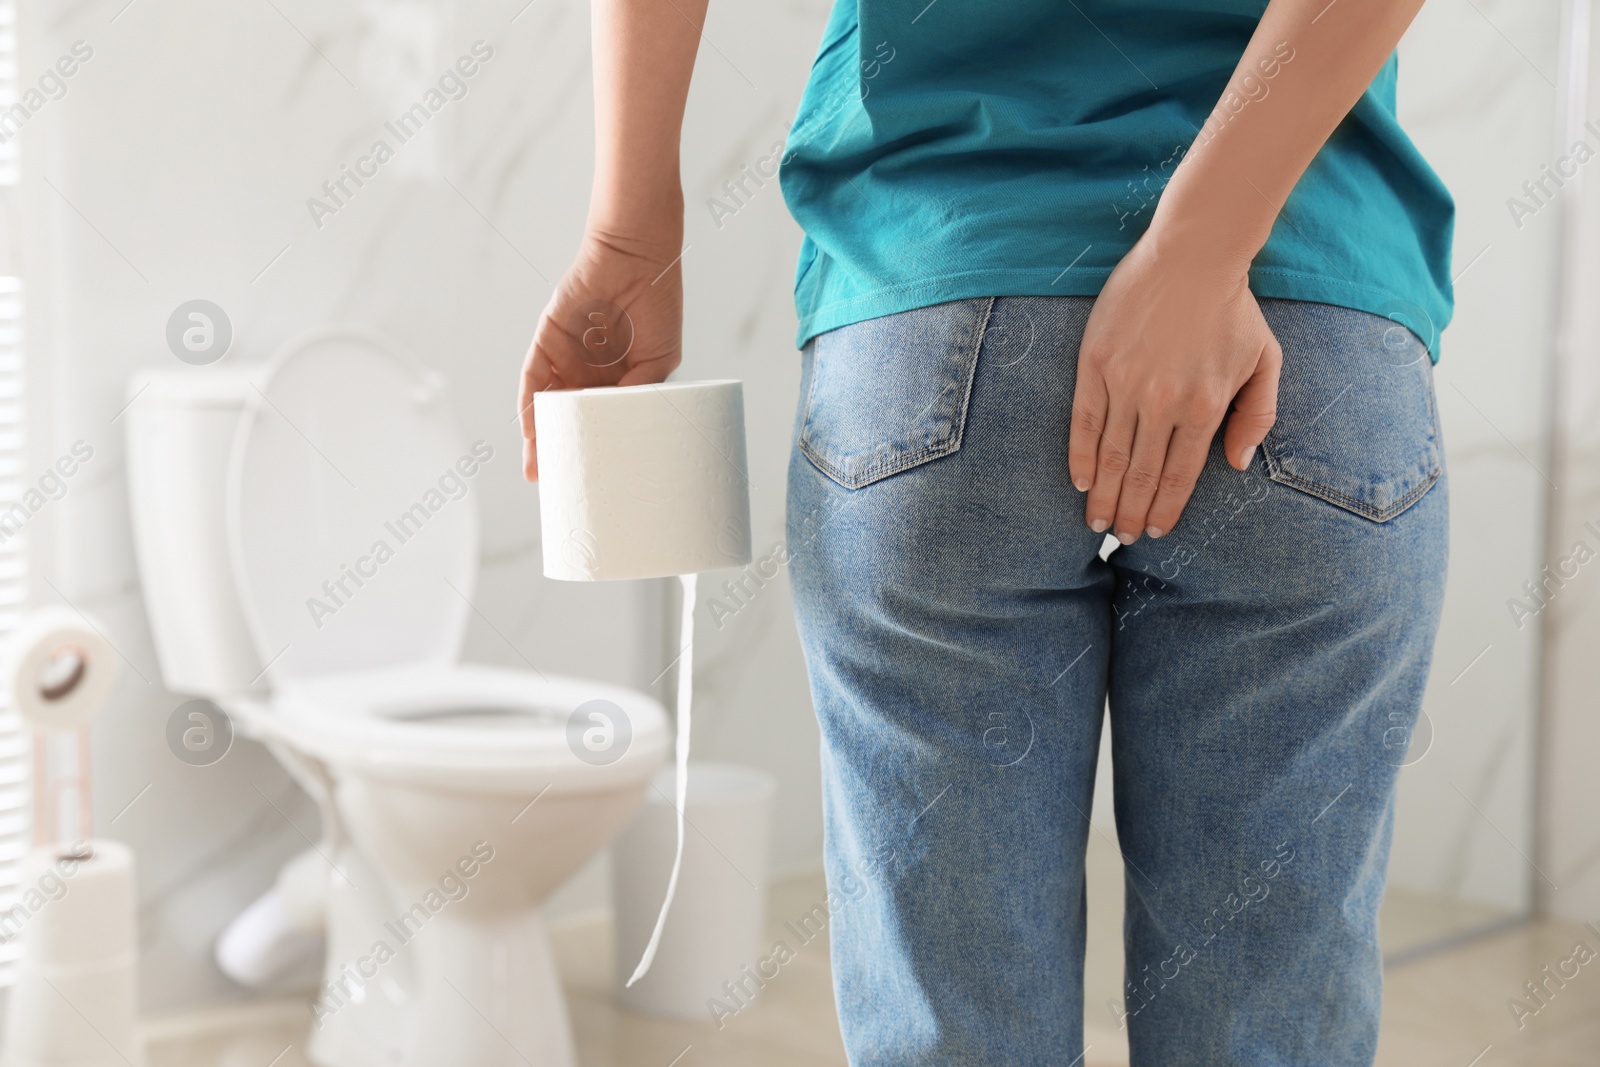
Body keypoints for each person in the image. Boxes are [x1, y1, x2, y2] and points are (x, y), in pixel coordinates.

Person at [519, 0, 1452, 1062]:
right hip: (1306, 334)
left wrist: (628, 237)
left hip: (936, 310)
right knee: (1266, 1027)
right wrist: (1200, 243)